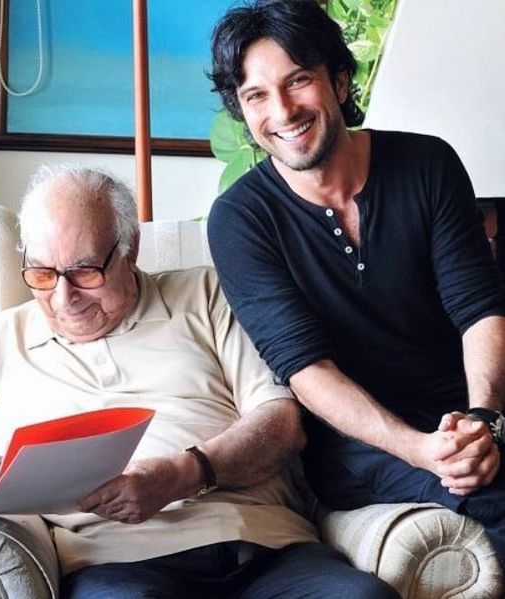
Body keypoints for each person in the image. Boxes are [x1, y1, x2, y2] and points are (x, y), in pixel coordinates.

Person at [0, 166, 397, 598]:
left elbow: (282, 421)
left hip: (265, 546)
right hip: (115, 567)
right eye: (41, 273)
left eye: (85, 272)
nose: (63, 297)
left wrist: (184, 474)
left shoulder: (208, 295)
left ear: (130, 249)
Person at [207, 0, 505, 574]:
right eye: (257, 95)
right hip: (359, 446)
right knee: (494, 496)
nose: (283, 111)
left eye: (298, 80)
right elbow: (305, 369)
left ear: (340, 81)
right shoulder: (240, 220)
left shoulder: (428, 163)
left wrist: (483, 419)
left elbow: (479, 307)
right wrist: (422, 449)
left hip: (467, 408)